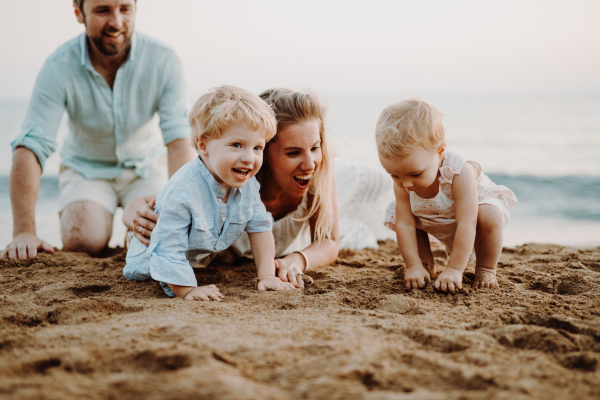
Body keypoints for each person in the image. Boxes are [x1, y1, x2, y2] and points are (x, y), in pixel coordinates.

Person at [1, 0, 196, 260]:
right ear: (78, 13)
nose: (116, 22)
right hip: (86, 170)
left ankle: (133, 240)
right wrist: (24, 231)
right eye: (103, 10)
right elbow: (32, 145)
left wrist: (185, 209)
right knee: (83, 240)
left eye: (125, 9)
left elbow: (178, 142)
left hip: (146, 167)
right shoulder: (58, 66)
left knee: (158, 236)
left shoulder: (164, 60)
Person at [124, 88, 341, 289]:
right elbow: (167, 201)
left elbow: (329, 241)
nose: (310, 163)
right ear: (265, 153)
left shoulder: (314, 174)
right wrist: (135, 215)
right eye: (293, 153)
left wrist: (297, 259)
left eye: (315, 148)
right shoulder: (232, 176)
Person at [377, 99, 517, 294]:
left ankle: (486, 268)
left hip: (471, 218)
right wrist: (412, 265)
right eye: (394, 175)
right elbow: (405, 225)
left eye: (415, 174)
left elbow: (467, 223)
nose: (406, 184)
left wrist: (454, 269)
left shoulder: (459, 173)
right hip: (434, 216)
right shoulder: (403, 179)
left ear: (440, 151)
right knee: (406, 215)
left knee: (489, 214)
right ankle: (423, 264)